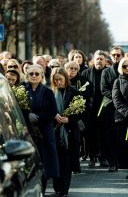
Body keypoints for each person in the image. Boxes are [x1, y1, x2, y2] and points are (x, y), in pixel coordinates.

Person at [23, 64, 60, 193]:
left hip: (44, 131)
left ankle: (42, 188)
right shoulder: (21, 89)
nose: (34, 76)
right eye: (31, 74)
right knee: (28, 160)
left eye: (37, 74)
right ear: (27, 75)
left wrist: (37, 116)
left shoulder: (47, 91)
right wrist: (27, 115)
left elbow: (53, 111)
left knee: (44, 160)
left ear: (42, 76)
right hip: (27, 131)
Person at [51, 67, 81, 196]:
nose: (58, 82)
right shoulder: (50, 93)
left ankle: (64, 190)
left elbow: (81, 112)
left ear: (66, 79)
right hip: (54, 133)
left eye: (60, 80)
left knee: (66, 163)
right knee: (56, 161)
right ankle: (57, 186)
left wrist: (69, 119)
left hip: (69, 133)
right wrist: (53, 115)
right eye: (55, 80)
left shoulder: (74, 92)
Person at [81, 50, 108, 167]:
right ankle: (92, 156)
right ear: (93, 60)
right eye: (97, 59)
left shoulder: (108, 72)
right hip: (90, 108)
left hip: (105, 107)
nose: (99, 61)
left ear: (105, 61)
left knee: (103, 134)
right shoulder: (86, 73)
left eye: (101, 59)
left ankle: (103, 157)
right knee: (90, 133)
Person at [100, 46, 124, 172]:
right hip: (110, 108)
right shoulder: (106, 72)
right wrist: (117, 99)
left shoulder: (126, 69)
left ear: (122, 56)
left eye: (118, 55)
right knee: (110, 137)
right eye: (113, 55)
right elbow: (103, 89)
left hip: (123, 109)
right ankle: (112, 162)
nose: (115, 57)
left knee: (121, 136)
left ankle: (121, 161)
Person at [64, 60, 90, 166]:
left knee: (77, 140)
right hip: (64, 115)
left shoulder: (82, 81)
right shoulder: (63, 81)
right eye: (71, 68)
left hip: (79, 115)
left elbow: (87, 97)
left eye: (75, 68)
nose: (73, 70)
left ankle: (75, 162)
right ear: (66, 70)